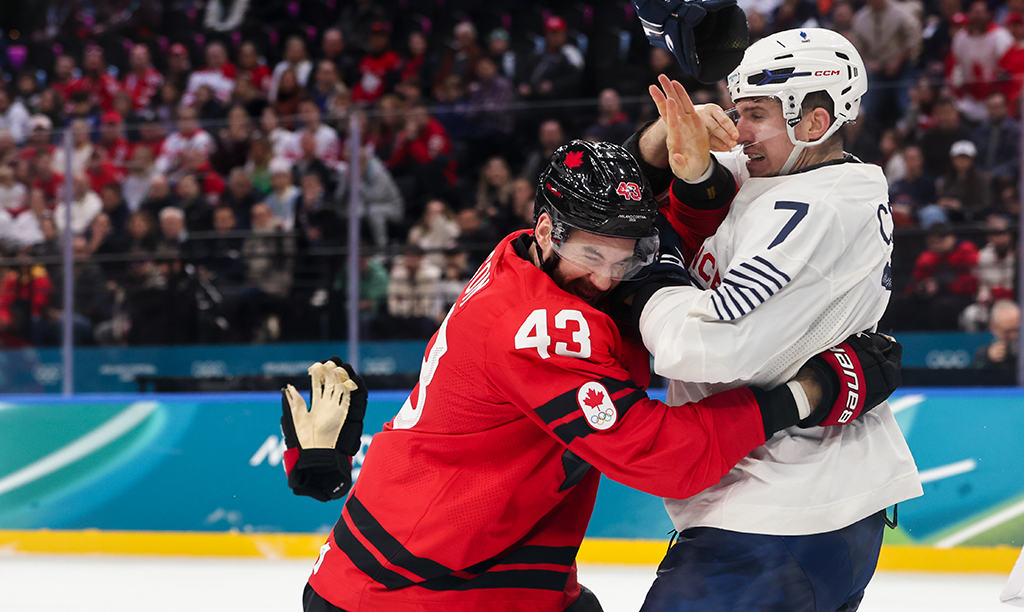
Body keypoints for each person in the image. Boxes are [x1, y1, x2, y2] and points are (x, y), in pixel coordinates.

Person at [288, 140, 904, 612]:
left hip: (498, 569)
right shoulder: (537, 326)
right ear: (547, 231)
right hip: (410, 587)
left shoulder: (529, 257)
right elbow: (661, 454)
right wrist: (810, 393)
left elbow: (653, 237)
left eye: (624, 258)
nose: (608, 278)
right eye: (592, 256)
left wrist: (669, 154)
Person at [622, 29, 922, 611]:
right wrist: (673, 135)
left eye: (756, 115)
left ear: (814, 123)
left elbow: (699, 345)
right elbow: (640, 179)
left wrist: (653, 260)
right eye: (739, 112)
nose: (739, 132)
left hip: (779, 513)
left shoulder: (810, 210)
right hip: (814, 507)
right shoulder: (799, 174)